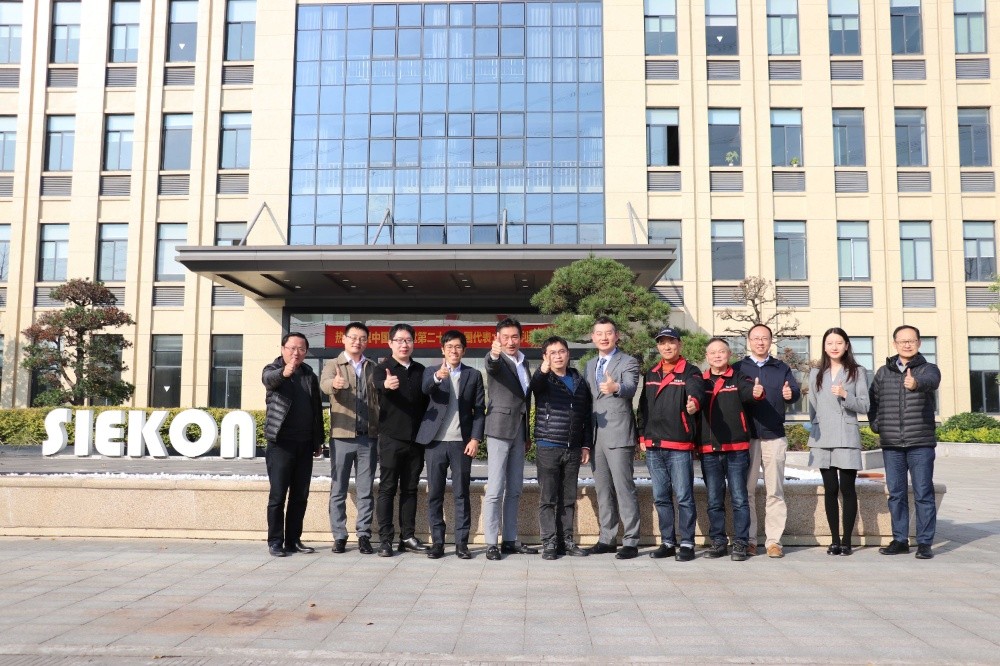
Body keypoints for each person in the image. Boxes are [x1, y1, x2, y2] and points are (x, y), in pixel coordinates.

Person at [868, 325, 942, 560]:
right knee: (896, 494)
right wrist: (877, 425)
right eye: (902, 341)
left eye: (911, 340)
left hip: (920, 442)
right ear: (895, 344)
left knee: (923, 493)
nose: (907, 344)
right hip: (892, 445)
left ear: (919, 343)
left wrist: (916, 383)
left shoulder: (928, 369)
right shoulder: (883, 372)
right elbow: (873, 401)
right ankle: (900, 540)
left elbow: (932, 381)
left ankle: (924, 543)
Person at [416, 330, 486, 560]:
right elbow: (425, 389)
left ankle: (461, 543)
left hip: (461, 444)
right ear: (442, 350)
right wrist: (438, 377)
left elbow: (479, 410)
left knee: (461, 494)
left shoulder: (473, 375)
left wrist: (475, 439)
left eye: (458, 347)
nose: (454, 351)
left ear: (464, 350)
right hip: (435, 443)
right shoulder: (431, 372)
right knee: (434, 493)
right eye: (449, 347)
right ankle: (437, 542)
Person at [636, 327, 703, 562]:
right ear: (658, 347)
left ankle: (687, 543)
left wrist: (694, 403)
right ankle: (667, 542)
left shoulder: (690, 371)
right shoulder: (651, 373)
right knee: (661, 496)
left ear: (679, 344)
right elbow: (643, 407)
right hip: (654, 445)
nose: (667, 346)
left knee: (684, 496)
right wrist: (641, 435)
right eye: (662, 342)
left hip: (679, 444)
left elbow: (696, 392)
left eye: (671, 342)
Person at [738, 324, 801, 559]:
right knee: (746, 491)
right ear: (749, 341)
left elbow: (794, 391)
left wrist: (790, 394)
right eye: (756, 338)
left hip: (774, 435)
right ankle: (749, 540)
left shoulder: (781, 367)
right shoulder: (739, 368)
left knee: (775, 491)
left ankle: (774, 541)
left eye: (764, 338)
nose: (760, 342)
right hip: (748, 437)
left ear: (770, 341)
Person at [699, 337, 764, 562]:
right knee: (714, 499)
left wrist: (756, 393)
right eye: (713, 352)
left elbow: (748, 392)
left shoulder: (739, 378)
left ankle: (741, 542)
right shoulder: (700, 380)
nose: (717, 355)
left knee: (739, 498)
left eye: (722, 351)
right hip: (709, 448)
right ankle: (718, 542)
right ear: (707, 357)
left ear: (729, 355)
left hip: (736, 448)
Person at [807, 328, 870, 556]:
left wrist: (845, 395)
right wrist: (815, 428)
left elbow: (865, 405)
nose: (834, 347)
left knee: (847, 488)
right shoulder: (816, 373)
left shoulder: (857, 372)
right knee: (830, 488)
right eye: (830, 343)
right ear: (824, 347)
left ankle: (847, 541)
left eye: (839, 342)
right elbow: (812, 406)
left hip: (846, 434)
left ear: (846, 346)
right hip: (823, 436)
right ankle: (834, 540)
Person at [261, 332, 324, 557]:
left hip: (304, 443)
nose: (296, 353)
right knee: (278, 496)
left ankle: (293, 540)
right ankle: (275, 541)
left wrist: (318, 440)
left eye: (301, 349)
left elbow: (316, 409)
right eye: (292, 348)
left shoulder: (309, 374)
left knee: (300, 496)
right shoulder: (272, 369)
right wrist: (284, 373)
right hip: (281, 443)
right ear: (283, 349)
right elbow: (269, 380)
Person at [530, 336, 593, 560]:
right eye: (552, 353)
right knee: (548, 498)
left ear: (568, 354)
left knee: (568, 498)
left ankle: (566, 540)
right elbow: (534, 385)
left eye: (562, 351)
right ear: (545, 357)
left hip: (573, 448)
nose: (558, 356)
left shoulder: (579, 380)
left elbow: (586, 415)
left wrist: (586, 445)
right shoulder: (544, 379)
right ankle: (549, 542)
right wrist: (542, 369)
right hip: (548, 445)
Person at [320, 322, 379, 555]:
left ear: (367, 342)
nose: (357, 341)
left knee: (365, 489)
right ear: (343, 339)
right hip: (342, 436)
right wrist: (334, 384)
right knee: (338, 488)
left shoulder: (372, 366)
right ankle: (339, 536)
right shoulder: (333, 364)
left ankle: (364, 535)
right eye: (353, 337)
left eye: (362, 338)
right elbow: (324, 384)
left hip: (368, 437)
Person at [585, 316, 642, 559]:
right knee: (603, 489)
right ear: (593, 337)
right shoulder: (589, 364)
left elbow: (630, 387)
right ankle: (607, 538)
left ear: (616, 336)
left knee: (624, 488)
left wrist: (615, 387)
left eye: (609, 333)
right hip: (595, 435)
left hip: (619, 434)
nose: (604, 337)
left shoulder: (628, 361)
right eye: (599, 333)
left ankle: (631, 540)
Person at [371, 324, 430, 557]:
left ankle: (407, 537)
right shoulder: (382, 369)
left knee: (410, 489)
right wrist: (386, 385)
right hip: (391, 438)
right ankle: (385, 539)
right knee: (387, 489)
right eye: (399, 340)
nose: (404, 345)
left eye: (408, 340)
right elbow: (378, 386)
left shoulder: (420, 370)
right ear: (390, 343)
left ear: (414, 343)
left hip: (416, 441)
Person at [482, 318, 537, 560]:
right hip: (499, 428)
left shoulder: (524, 362)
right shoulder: (494, 358)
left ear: (520, 337)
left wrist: (527, 434)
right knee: (495, 488)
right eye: (505, 337)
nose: (510, 341)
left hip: (519, 431)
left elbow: (525, 399)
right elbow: (491, 366)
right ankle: (491, 543)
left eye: (514, 336)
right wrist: (495, 355)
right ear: (497, 338)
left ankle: (510, 539)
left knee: (515, 488)